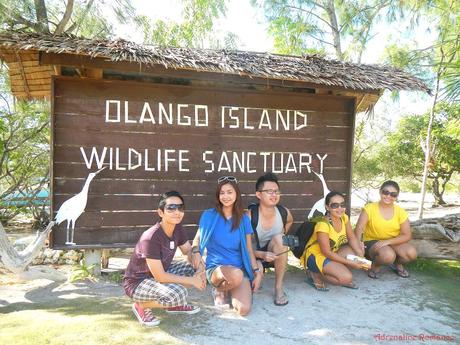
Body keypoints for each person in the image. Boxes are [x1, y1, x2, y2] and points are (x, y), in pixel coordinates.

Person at [122, 191, 206, 327]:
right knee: (179, 293)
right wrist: (193, 281)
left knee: (193, 266)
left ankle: (172, 304)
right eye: (171, 208)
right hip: (138, 283)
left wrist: (199, 267)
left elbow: (188, 252)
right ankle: (141, 305)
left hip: (158, 275)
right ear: (161, 213)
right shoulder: (151, 237)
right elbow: (160, 276)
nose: (177, 212)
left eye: (180, 208)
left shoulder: (177, 227)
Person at [191, 176, 263, 316]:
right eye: (222, 193)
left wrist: (256, 271)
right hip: (216, 268)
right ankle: (220, 289)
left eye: (229, 192)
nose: (226, 196)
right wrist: (195, 251)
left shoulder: (243, 219)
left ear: (236, 194)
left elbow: (248, 249)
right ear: (218, 196)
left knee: (244, 310)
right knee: (236, 275)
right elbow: (197, 239)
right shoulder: (209, 215)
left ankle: (230, 288)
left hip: (238, 269)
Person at [300, 191, 366, 291]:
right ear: (327, 207)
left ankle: (338, 272)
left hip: (333, 252)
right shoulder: (323, 225)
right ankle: (315, 274)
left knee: (359, 248)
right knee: (347, 278)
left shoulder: (344, 218)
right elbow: (326, 252)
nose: (340, 208)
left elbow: (352, 238)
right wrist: (351, 263)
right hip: (316, 256)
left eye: (342, 205)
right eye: (335, 205)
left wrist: (360, 255)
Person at [355, 180, 417, 279]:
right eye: (386, 192)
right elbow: (359, 228)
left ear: (397, 196)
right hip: (371, 241)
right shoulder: (369, 208)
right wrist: (359, 242)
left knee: (411, 253)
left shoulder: (400, 212)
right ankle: (375, 266)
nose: (388, 196)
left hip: (391, 242)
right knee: (388, 255)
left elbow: (407, 235)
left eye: (393, 194)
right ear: (380, 192)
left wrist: (387, 242)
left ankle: (396, 264)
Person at [248, 172, 293, 306]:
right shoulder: (250, 216)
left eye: (276, 191)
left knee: (281, 240)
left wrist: (281, 234)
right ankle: (258, 270)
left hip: (273, 253)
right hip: (253, 254)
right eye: (269, 191)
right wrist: (260, 255)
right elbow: (243, 246)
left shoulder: (284, 212)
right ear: (259, 194)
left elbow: (290, 221)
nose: (274, 194)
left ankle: (279, 288)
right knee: (252, 289)